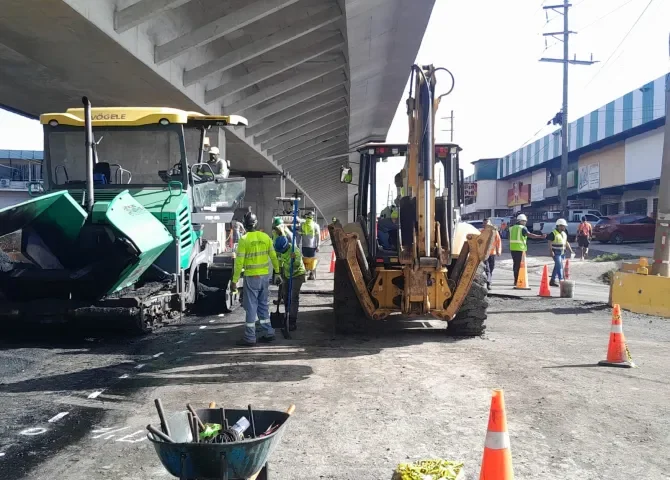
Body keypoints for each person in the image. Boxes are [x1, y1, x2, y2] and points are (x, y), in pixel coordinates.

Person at [231, 212, 281, 346]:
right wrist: (277, 272)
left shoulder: (244, 239)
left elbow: (239, 262)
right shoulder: (265, 237)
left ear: (245, 225)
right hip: (265, 278)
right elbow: (274, 257)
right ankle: (268, 332)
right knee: (263, 305)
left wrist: (234, 281)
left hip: (252, 277)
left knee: (251, 307)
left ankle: (250, 337)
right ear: (256, 223)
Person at [274, 236, 306, 331]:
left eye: (283, 251)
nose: (282, 252)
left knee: (293, 297)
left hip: (297, 275)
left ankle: (292, 321)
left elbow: (297, 265)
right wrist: (278, 274)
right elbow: (279, 262)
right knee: (285, 295)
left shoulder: (295, 251)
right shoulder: (280, 251)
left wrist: (294, 259)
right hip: (287, 274)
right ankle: (287, 314)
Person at [509, 214, 546, 285]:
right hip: (520, 249)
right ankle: (519, 280)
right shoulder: (523, 228)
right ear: (521, 221)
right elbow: (530, 235)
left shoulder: (512, 228)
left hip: (513, 248)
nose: (525, 223)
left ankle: (516, 280)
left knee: (515, 265)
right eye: (524, 221)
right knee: (520, 265)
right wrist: (540, 236)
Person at [547, 218, 574, 287]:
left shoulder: (564, 234)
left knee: (557, 266)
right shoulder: (553, 233)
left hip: (562, 253)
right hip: (556, 252)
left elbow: (566, 242)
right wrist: (551, 251)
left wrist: (571, 250)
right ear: (559, 226)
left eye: (564, 226)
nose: (564, 227)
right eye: (563, 226)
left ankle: (552, 280)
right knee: (559, 266)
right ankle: (561, 280)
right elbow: (549, 242)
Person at [481, 218, 502, 289]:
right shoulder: (482, 232)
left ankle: (489, 279)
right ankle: (489, 283)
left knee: (491, 268)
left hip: (492, 253)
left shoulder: (495, 232)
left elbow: (498, 241)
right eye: (485, 223)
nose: (486, 225)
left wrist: (499, 250)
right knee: (487, 269)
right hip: (485, 253)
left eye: (487, 223)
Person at [300, 211, 320, 280]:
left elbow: (299, 235)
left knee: (305, 261)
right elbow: (318, 236)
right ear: (313, 217)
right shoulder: (315, 225)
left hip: (304, 246)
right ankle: (312, 275)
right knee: (312, 261)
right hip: (312, 246)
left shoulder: (302, 224)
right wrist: (318, 245)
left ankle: (306, 274)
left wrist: (297, 245)